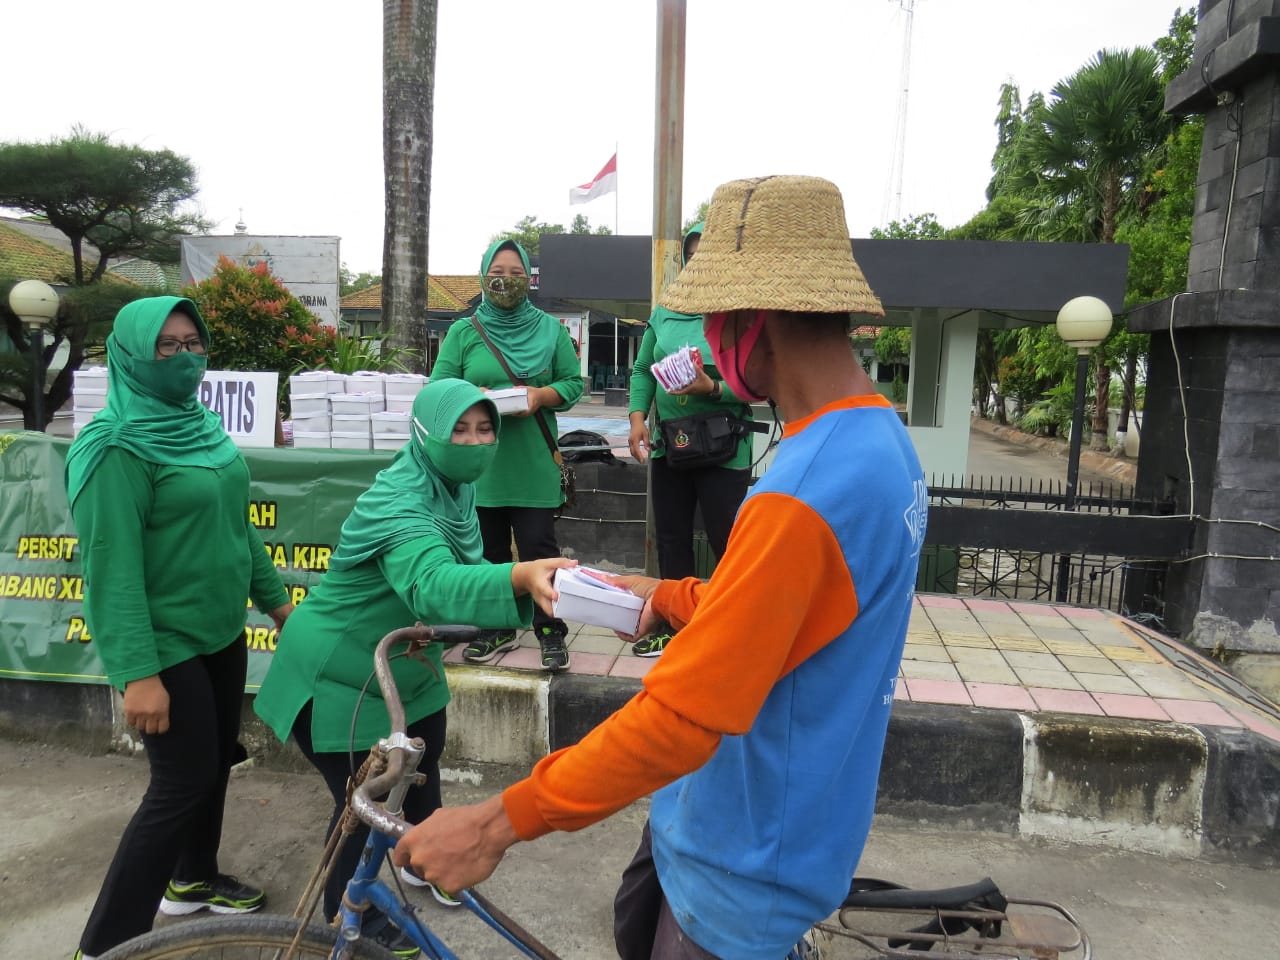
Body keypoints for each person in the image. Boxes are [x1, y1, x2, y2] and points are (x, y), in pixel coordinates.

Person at [392, 175, 928, 959]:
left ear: (754, 318)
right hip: (786, 824)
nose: (704, 341)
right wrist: (666, 596)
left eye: (712, 319)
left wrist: (492, 823)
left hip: (741, 863)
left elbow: (683, 716)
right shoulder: (881, 445)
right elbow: (789, 611)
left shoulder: (805, 488)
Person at [253, 378, 572, 958]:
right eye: (458, 430)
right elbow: (432, 582)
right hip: (343, 675)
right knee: (364, 807)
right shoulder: (398, 498)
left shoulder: (453, 488)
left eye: (484, 430)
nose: (474, 443)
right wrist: (518, 577)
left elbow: (457, 575)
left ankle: (424, 862)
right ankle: (351, 919)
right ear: (424, 432)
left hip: (407, 665)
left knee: (423, 767)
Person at [66, 296, 293, 960]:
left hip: (219, 633)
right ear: (132, 354)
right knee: (179, 783)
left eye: (194, 343)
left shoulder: (199, 424)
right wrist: (137, 674)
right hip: (162, 643)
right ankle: (107, 944)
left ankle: (193, 878)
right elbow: (110, 570)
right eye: (166, 346)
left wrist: (278, 605)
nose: (185, 357)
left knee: (214, 761)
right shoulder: (113, 446)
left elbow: (236, 523)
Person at [430, 239, 584, 671]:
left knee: (539, 547)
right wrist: (469, 397)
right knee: (489, 550)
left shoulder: (550, 331)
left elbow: (574, 385)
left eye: (518, 273)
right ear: (483, 275)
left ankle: (551, 630)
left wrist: (541, 395)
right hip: (480, 465)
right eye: (499, 271)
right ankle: (495, 627)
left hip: (533, 462)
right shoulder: (463, 333)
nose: (507, 280)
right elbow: (438, 388)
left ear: (529, 280)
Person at [627, 221, 754, 657]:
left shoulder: (741, 312)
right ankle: (676, 625)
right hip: (671, 445)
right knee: (673, 539)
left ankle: (733, 628)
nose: (701, 262)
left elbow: (760, 382)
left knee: (727, 541)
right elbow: (643, 369)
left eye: (709, 253)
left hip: (725, 448)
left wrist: (712, 389)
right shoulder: (665, 311)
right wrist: (637, 417)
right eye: (693, 253)